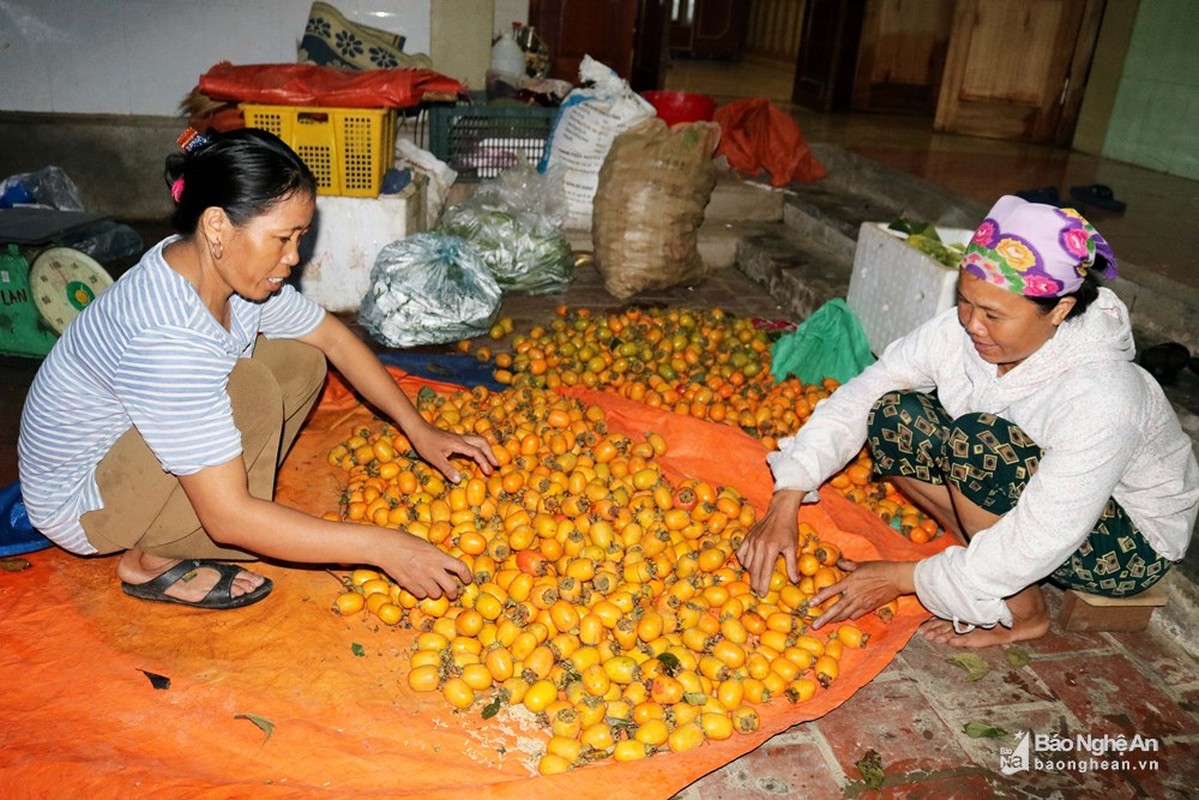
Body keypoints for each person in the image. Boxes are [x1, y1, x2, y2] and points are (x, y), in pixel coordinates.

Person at [17, 128, 496, 610]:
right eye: (282, 239)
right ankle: (152, 560)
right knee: (247, 390)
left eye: (299, 237)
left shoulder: (223, 275)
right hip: (82, 502)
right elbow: (227, 519)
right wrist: (382, 547)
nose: (293, 258)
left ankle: (223, 513)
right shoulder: (166, 336)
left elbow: (331, 337)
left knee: (300, 360)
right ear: (217, 227)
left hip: (125, 450)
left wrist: (418, 427)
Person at [737, 195, 1198, 647]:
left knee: (977, 444)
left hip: (1127, 545)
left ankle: (1025, 612)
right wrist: (789, 493)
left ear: (1059, 310)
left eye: (994, 315)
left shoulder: (1103, 393)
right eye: (966, 302)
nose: (973, 325)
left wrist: (905, 579)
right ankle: (978, 561)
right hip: (1033, 498)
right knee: (894, 415)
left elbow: (1042, 534)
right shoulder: (962, 331)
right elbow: (866, 393)